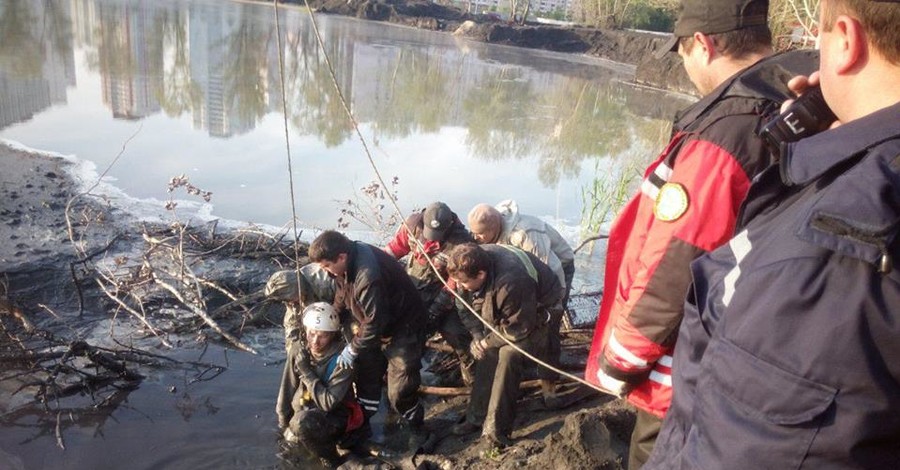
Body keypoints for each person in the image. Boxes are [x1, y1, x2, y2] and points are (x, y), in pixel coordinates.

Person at [645, 0, 900, 467]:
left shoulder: (831, 250)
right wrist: (833, 154)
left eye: (818, 40)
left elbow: (743, 445)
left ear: (846, 41)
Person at [583, 0, 819, 466]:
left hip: (693, 367)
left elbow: (676, 257)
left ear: (703, 45)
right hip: (764, 360)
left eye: (685, 55)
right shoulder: (807, 97)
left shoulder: (729, 130)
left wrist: (621, 362)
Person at [447, 243, 564, 449]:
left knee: (508, 355)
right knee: (486, 352)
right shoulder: (463, 270)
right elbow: (463, 307)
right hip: (513, 309)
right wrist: (477, 336)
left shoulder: (511, 281)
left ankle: (496, 431)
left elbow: (518, 328)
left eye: (464, 283)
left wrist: (486, 341)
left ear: (481, 275)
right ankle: (476, 416)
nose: (461, 286)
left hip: (540, 311)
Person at [309, 230, 426, 431]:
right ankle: (364, 423)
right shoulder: (344, 262)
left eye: (327, 266)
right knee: (366, 376)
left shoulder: (368, 276)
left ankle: (415, 424)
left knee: (399, 391)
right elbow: (342, 293)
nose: (326, 271)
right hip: (377, 323)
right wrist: (332, 321)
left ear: (341, 257)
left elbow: (374, 322)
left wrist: (353, 348)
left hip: (404, 327)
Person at [467, 200, 574, 401]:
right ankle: (521, 364)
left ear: (494, 227)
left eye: (480, 235)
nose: (476, 238)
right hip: (521, 276)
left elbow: (548, 273)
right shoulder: (489, 228)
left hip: (555, 273)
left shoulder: (525, 235)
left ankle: (549, 388)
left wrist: (551, 306)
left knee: (548, 328)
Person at [384, 202, 476, 385]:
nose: (433, 239)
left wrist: (435, 311)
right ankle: (404, 381)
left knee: (457, 334)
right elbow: (393, 250)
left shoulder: (462, 244)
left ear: (449, 226)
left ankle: (474, 379)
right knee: (404, 336)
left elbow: (454, 283)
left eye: (438, 235)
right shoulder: (411, 225)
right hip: (414, 288)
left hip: (446, 296)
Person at [276, 302, 364, 467]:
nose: (315, 341)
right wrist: (282, 424)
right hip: (306, 408)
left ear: (332, 335)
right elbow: (287, 387)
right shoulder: (299, 350)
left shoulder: (342, 361)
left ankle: (331, 458)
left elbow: (328, 403)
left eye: (322, 336)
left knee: (301, 424)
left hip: (334, 417)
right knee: (291, 437)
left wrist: (307, 371)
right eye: (312, 334)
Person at [265, 265, 336, 351]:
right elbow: (292, 325)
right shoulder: (292, 301)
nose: (291, 303)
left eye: (291, 300)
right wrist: (294, 353)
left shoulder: (325, 279)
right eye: (287, 301)